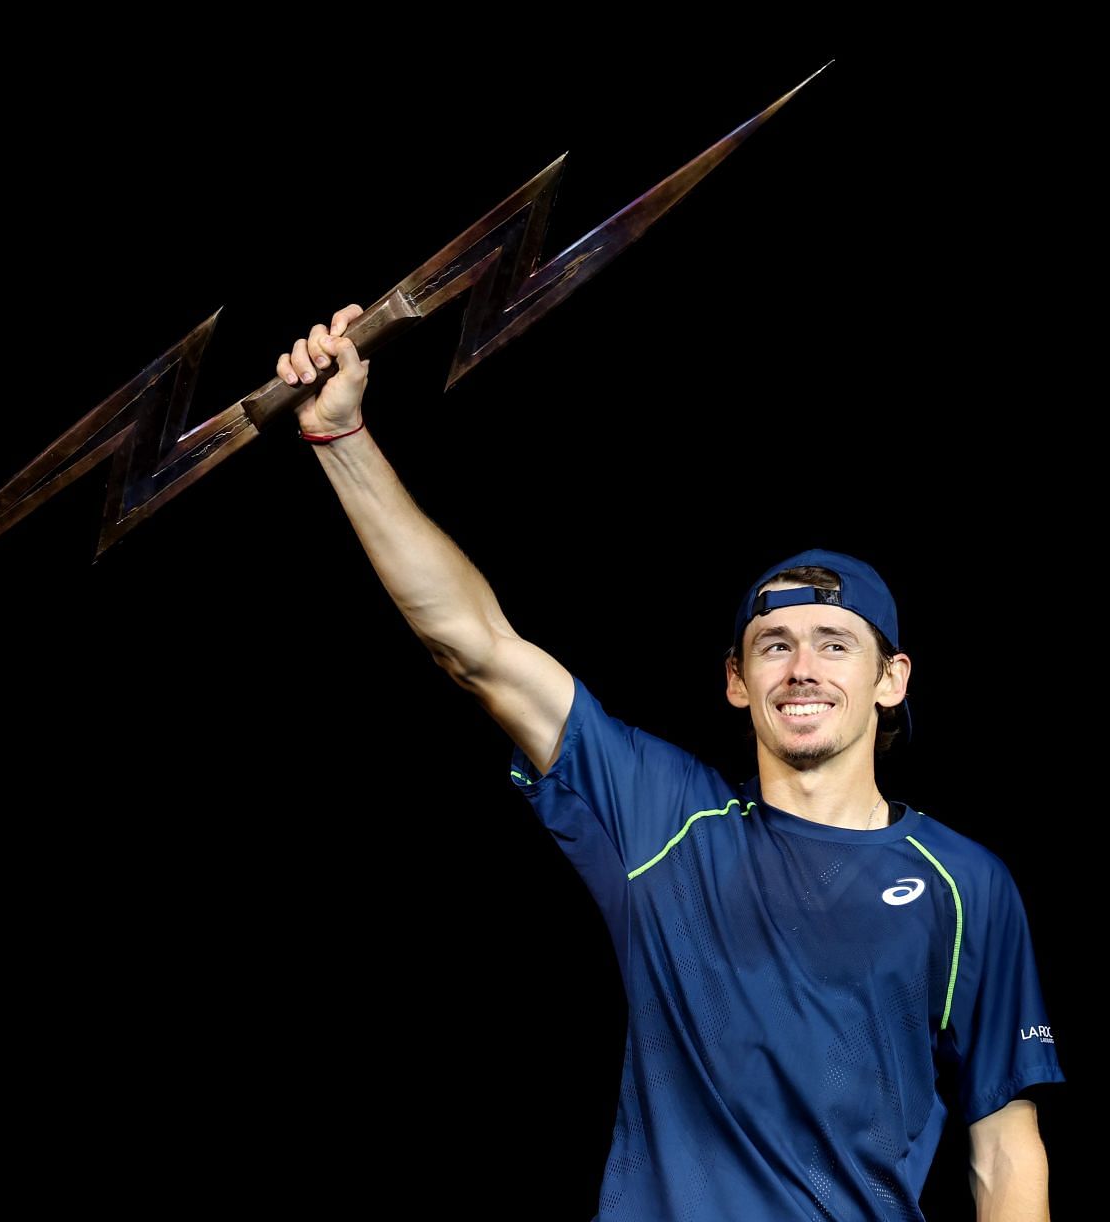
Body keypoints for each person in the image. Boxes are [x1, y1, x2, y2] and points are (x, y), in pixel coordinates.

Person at [276, 304, 1065, 1220]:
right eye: (773, 645)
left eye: (833, 644)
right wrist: (340, 436)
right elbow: (476, 644)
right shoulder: (662, 819)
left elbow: (1004, 1156)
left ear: (892, 679)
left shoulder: (967, 884)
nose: (802, 668)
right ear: (736, 681)